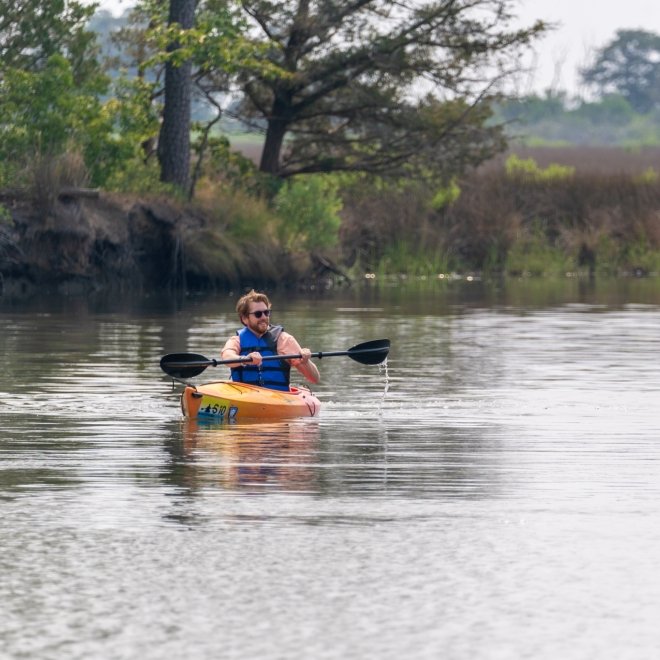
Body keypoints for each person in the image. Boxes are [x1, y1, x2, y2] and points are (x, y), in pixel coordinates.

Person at [221, 290, 320, 391]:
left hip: (278, 399)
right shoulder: (236, 340)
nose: (264, 317)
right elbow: (227, 357)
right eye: (258, 314)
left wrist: (306, 361)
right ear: (245, 318)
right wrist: (245, 359)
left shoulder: (284, 340)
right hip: (243, 398)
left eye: (266, 312)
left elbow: (315, 378)